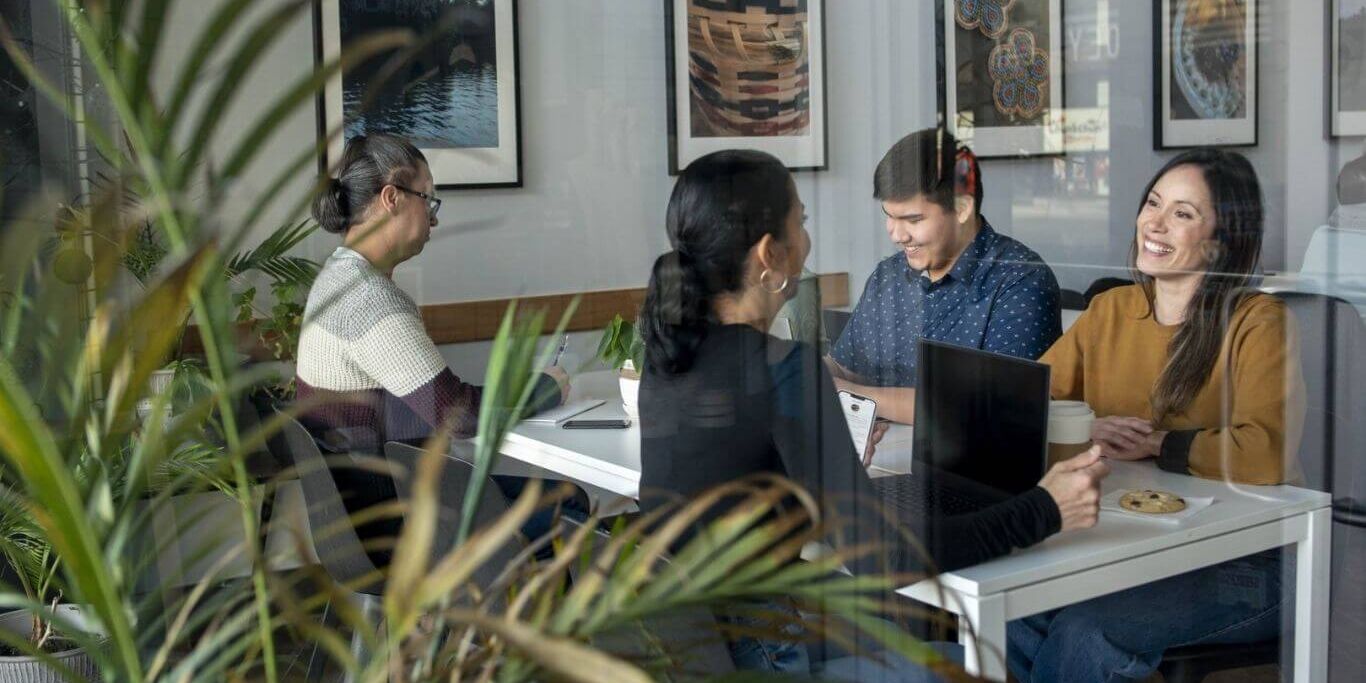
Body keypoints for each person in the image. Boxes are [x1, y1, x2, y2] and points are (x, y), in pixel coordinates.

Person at [636, 149, 1109, 679]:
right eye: (803, 221)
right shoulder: (781, 367)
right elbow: (882, 560)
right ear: (771, 253)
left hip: (696, 650)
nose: (895, 234)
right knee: (987, 667)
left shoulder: (669, 348)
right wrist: (1046, 509)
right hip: (761, 653)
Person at [1006, 149, 1307, 682]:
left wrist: (1159, 443)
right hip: (1135, 540)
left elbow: (1268, 451)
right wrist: (1085, 425)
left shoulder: (1259, 322)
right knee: (1016, 606)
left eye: (1183, 213)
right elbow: (1025, 399)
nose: (1155, 223)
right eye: (1153, 203)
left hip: (1250, 560)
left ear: (1221, 241)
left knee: (1085, 630)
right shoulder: (1112, 310)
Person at [295, 134, 573, 562]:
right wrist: (547, 387)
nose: (434, 220)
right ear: (392, 197)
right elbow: (457, 416)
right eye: (429, 200)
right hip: (399, 526)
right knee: (568, 505)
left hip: (357, 524)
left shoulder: (334, 281)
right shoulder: (366, 299)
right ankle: (520, 628)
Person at [828, 129, 1062, 423]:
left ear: (962, 208)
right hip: (877, 456)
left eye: (913, 220)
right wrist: (811, 377)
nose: (897, 235)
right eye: (889, 215)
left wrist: (850, 394)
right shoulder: (888, 275)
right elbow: (846, 366)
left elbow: (992, 405)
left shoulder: (1020, 281)